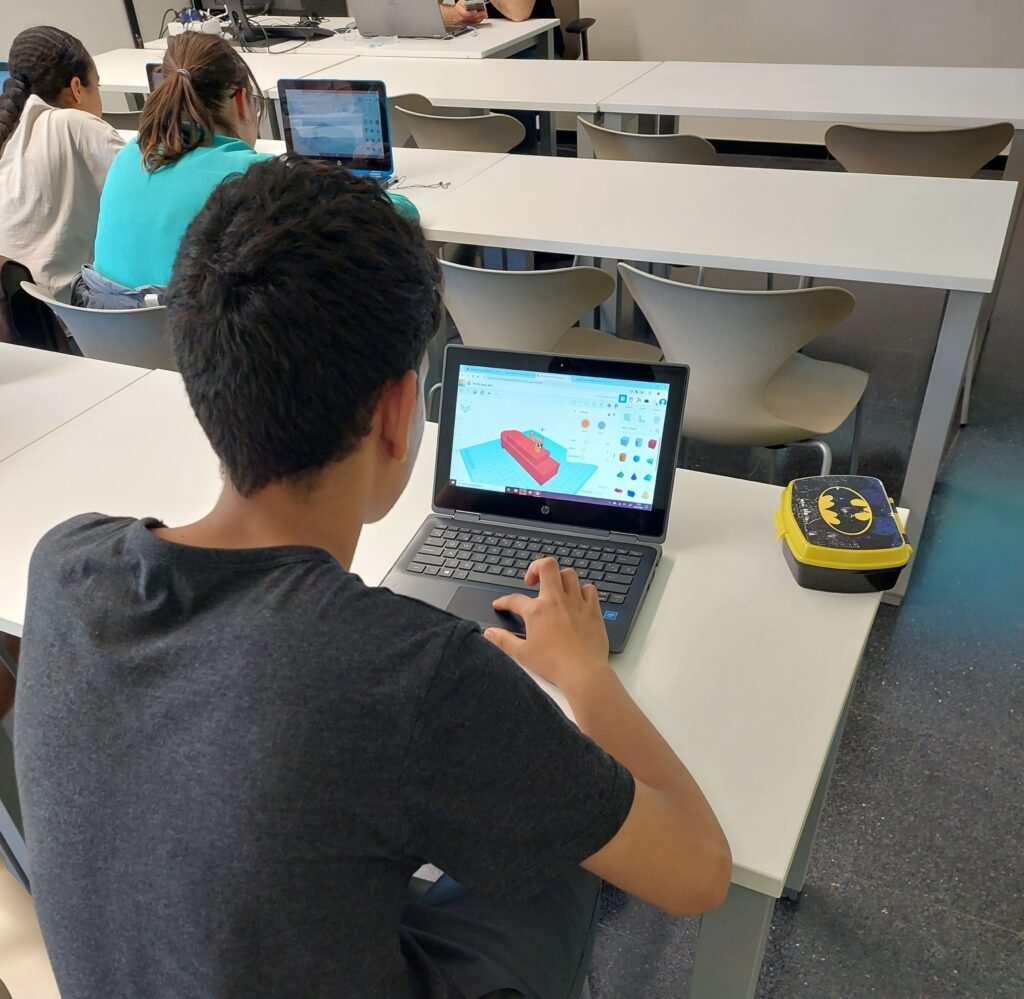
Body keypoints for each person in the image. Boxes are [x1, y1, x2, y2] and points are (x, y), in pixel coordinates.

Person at [16, 158, 731, 999]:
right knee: (562, 850)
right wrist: (585, 673)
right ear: (397, 412)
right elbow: (698, 872)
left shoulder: (63, 565)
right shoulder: (416, 671)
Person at [76, 32, 269, 308]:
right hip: (198, 333)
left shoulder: (129, 156)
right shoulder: (255, 176)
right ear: (241, 100)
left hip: (105, 331)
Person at [0, 26, 123, 303]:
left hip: (16, 316)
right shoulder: (75, 125)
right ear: (77, 89)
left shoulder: (9, 131)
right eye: (97, 87)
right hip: (67, 316)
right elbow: (150, 189)